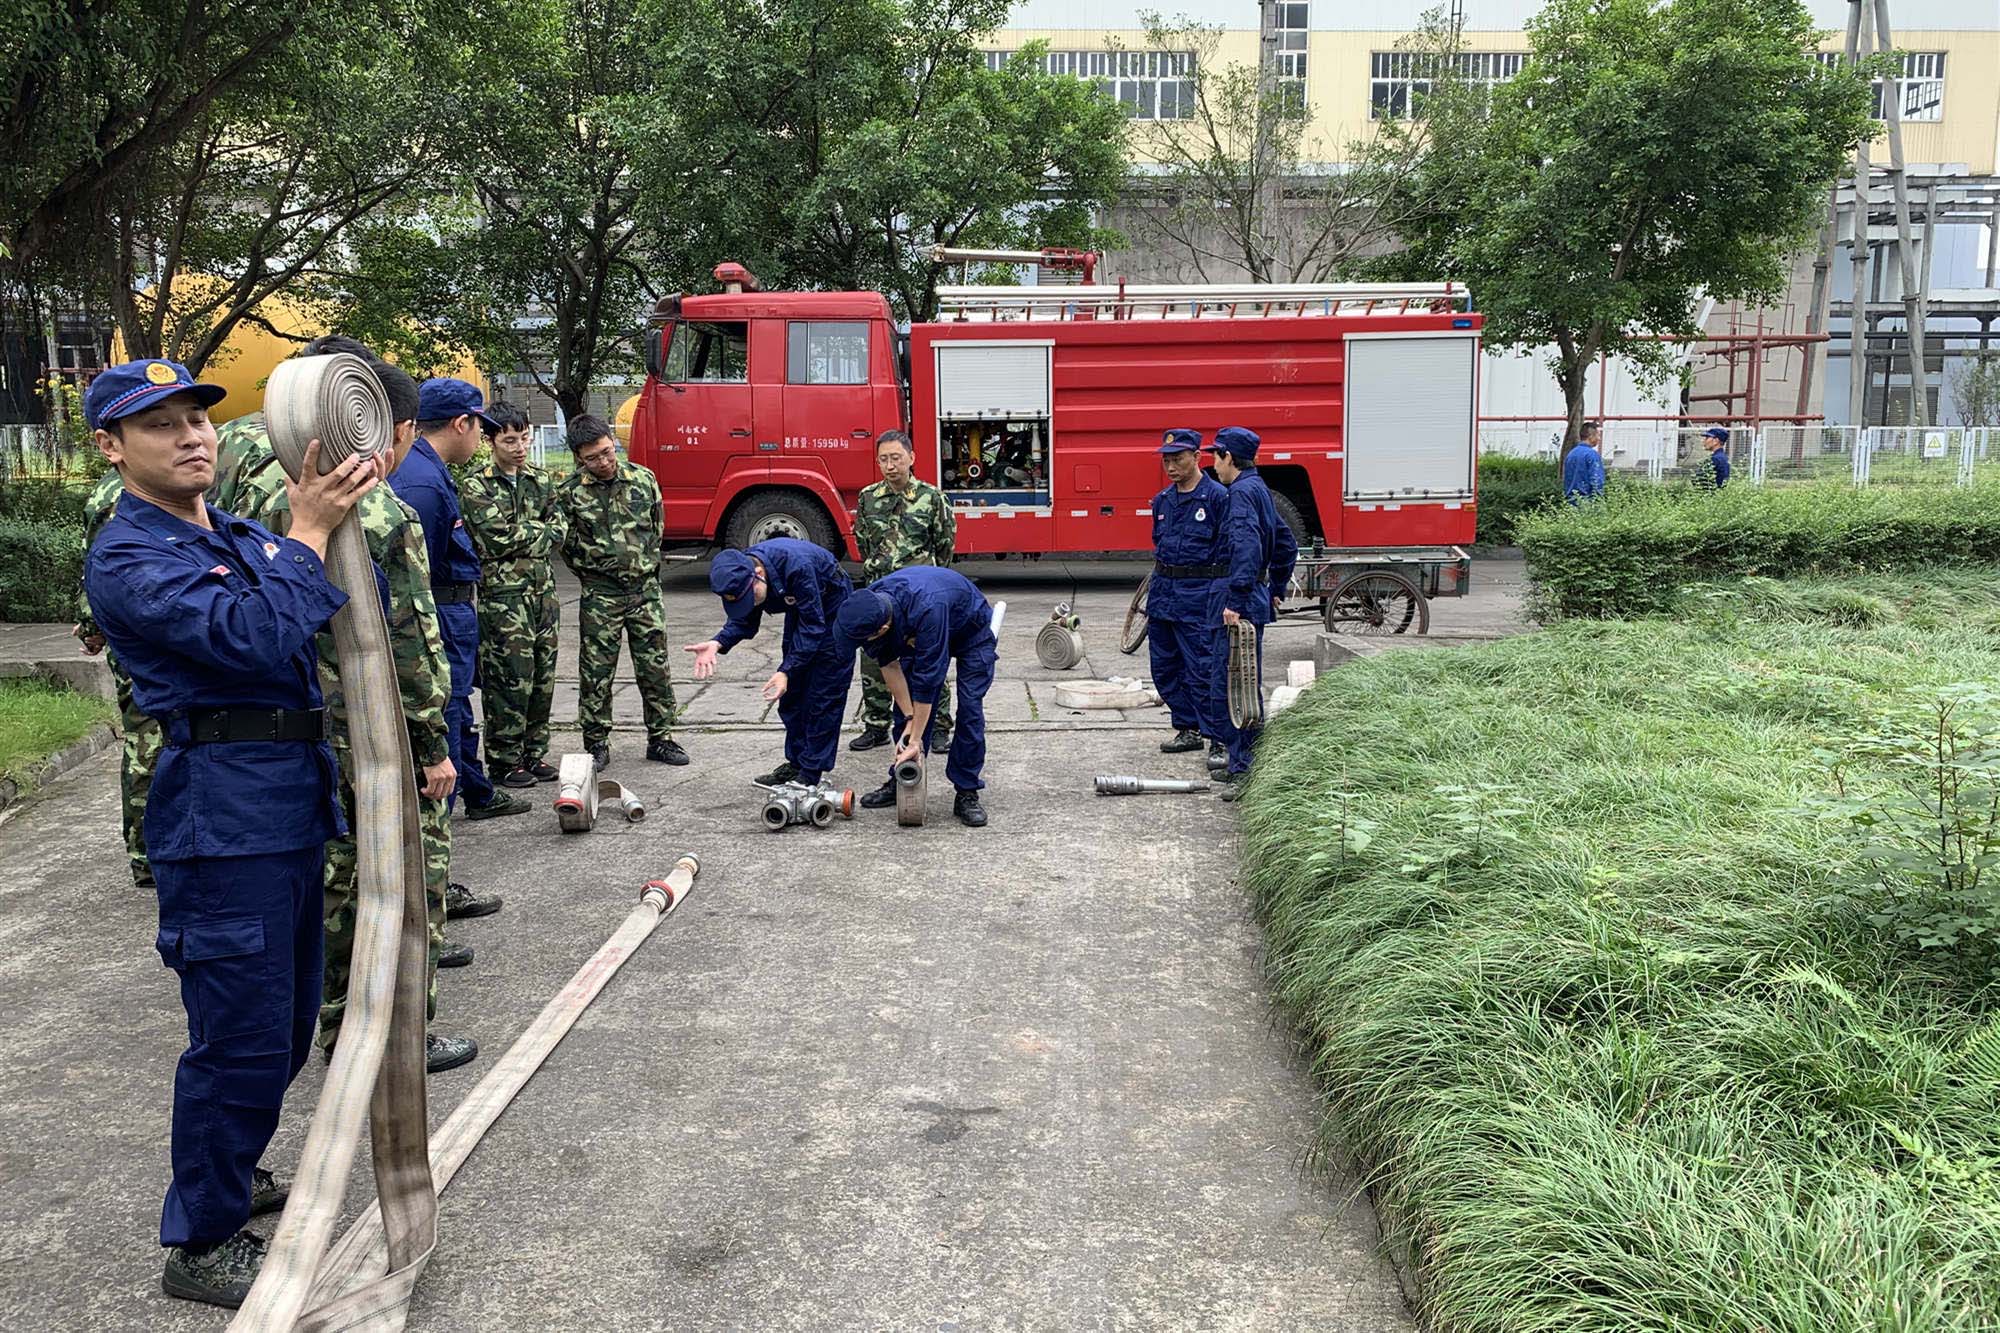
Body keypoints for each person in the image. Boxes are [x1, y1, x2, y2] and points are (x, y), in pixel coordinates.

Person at [81, 358, 374, 1306]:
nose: (191, 437)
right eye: (159, 424)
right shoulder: (129, 556)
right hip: (222, 822)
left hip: (286, 802)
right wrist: (309, 533)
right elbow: (251, 636)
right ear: (111, 446)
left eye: (197, 419)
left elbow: (321, 607)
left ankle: (231, 1171)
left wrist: (327, 519)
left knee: (283, 1027)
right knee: (238, 1037)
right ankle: (201, 1240)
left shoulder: (239, 535)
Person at [230, 344, 481, 1074]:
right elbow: (410, 639)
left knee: (333, 877)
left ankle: (336, 1026)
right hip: (371, 728)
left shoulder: (250, 472)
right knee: (409, 876)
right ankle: (394, 1035)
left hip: (291, 721)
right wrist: (432, 743)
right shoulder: (375, 504)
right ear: (392, 427)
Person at [391, 378, 530, 824]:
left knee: (459, 707)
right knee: (447, 711)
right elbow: (418, 574)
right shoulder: (423, 484)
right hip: (440, 613)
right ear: (460, 423)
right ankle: (437, 831)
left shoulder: (426, 469)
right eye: (480, 428)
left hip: (452, 611)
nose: (481, 438)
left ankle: (478, 792)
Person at [555, 414, 688, 770]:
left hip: (644, 590)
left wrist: (644, 568)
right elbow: (567, 546)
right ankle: (596, 742)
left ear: (613, 442)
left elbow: (656, 529)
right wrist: (594, 573)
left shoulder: (643, 480)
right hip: (601, 594)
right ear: (579, 457)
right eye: (593, 458)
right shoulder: (569, 493)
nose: (603, 461)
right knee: (596, 671)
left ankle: (661, 738)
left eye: (607, 451)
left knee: (654, 666)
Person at [834, 565, 997, 828]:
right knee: (906, 711)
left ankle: (967, 791)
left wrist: (917, 739)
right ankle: (901, 778)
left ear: (883, 628)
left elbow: (928, 684)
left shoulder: (928, 610)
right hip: (917, 625)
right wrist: (911, 720)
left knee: (970, 710)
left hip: (970, 631)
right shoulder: (870, 604)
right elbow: (889, 665)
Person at [684, 538, 855, 786]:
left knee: (823, 696)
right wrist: (718, 642)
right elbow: (745, 621)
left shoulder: (798, 567)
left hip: (833, 609)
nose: (751, 603)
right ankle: (796, 763)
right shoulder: (743, 572)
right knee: (791, 697)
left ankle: (810, 773)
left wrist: (786, 670)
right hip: (800, 608)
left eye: (750, 597)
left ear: (759, 573)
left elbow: (813, 627)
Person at [460, 402, 563, 788]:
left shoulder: (541, 480)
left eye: (524, 438)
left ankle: (534, 753)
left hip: (543, 595)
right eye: (509, 440)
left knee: (542, 678)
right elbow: (495, 539)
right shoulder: (476, 485)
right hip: (504, 600)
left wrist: (530, 533)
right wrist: (539, 531)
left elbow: (560, 530)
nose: (519, 448)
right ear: (490, 441)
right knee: (508, 680)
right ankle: (504, 760)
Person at [74, 469, 161, 887]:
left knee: (150, 740)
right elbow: (105, 566)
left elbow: (94, 566)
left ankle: (150, 852)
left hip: (147, 633)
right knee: (149, 743)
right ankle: (149, 853)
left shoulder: (111, 488)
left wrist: (91, 626)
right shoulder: (125, 491)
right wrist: (93, 626)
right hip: (147, 636)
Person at [849, 429, 955, 754]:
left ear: (911, 458)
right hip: (880, 595)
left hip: (919, 599)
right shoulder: (868, 497)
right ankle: (876, 725)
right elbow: (863, 542)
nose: (890, 465)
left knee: (928, 660)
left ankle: (938, 726)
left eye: (896, 458)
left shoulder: (932, 498)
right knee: (874, 660)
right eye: (884, 459)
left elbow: (944, 545)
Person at [1206, 426, 1297, 801]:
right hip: (1252, 595)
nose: (1213, 465)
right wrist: (1275, 588)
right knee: (1243, 681)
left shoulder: (1241, 493)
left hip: (1236, 601)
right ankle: (1240, 759)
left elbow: (1245, 546)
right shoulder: (1259, 489)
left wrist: (1237, 600)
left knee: (1232, 686)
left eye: (1215, 457)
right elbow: (1287, 544)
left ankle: (1243, 768)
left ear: (1228, 457)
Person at [1146, 428, 1232, 771]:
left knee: (1203, 669)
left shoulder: (1217, 498)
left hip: (1199, 595)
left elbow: (1227, 552)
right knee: (1164, 667)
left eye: (1178, 459)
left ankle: (1218, 738)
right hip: (1164, 594)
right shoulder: (1162, 501)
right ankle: (1187, 727)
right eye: (1166, 460)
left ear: (1197, 457)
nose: (1171, 467)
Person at [1562, 421, 1607, 502]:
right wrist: (1599, 500)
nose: (1599, 438)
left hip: (1570, 501)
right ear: (1590, 436)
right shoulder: (1592, 455)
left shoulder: (1571, 454)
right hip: (1587, 502)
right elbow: (1597, 480)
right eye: (1598, 435)